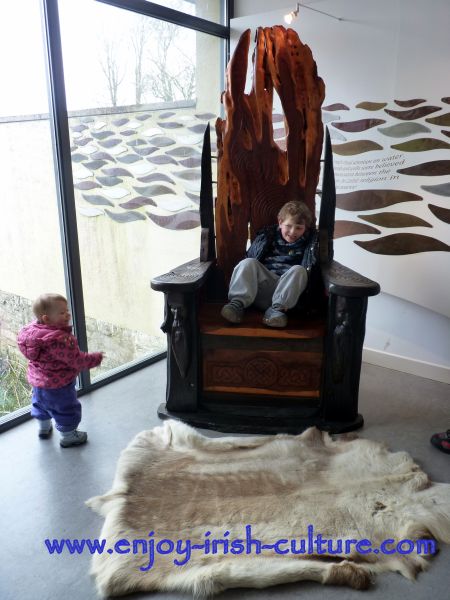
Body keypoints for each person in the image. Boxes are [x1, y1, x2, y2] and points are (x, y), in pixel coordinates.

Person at [17, 293, 103, 448]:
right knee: (66, 409)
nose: (68, 314)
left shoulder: (30, 333)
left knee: (40, 405)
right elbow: (76, 359)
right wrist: (95, 358)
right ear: (46, 319)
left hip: (38, 382)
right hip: (59, 385)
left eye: (67, 310)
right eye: (62, 313)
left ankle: (43, 428)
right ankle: (69, 436)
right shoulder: (58, 339)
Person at [221, 200, 317, 328]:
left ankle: (276, 311)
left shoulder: (310, 243)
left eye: (299, 228)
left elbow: (310, 273)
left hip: (286, 294)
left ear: (305, 229)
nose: (293, 232)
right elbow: (250, 262)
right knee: (248, 262)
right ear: (280, 222)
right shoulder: (268, 235)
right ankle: (237, 304)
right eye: (289, 226)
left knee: (299, 270)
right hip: (259, 289)